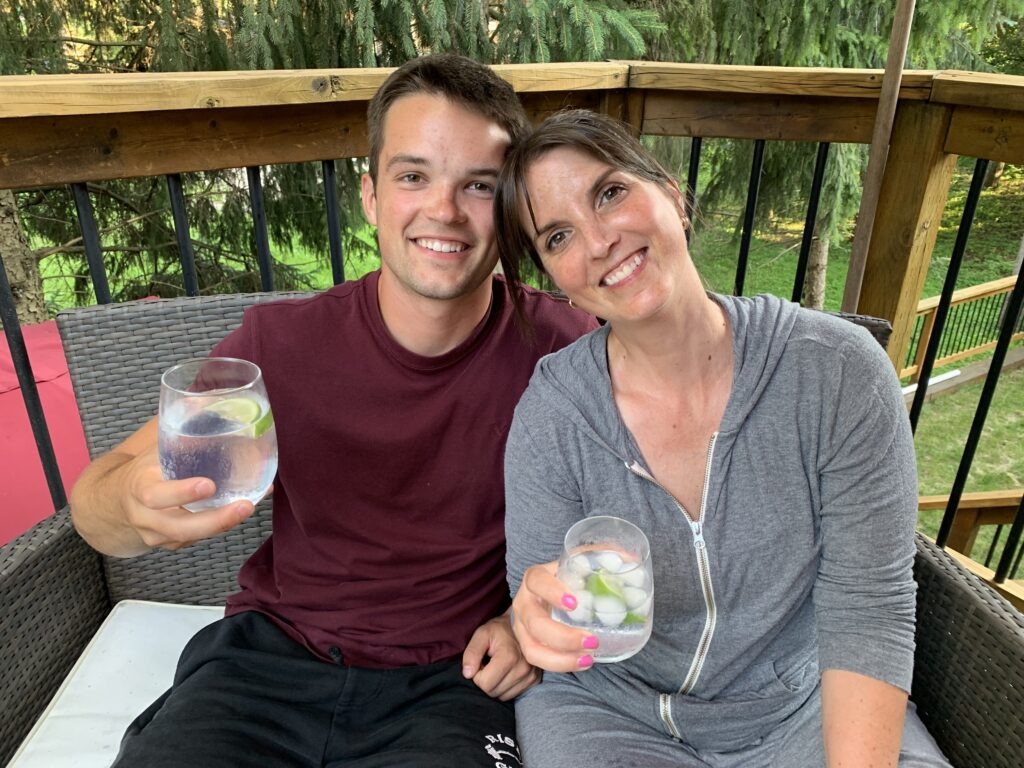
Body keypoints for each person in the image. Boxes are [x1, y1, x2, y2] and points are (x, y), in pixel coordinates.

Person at [68, 55, 596, 768]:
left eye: (478, 184)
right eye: (414, 176)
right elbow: (97, 504)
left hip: (453, 679)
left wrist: (526, 620)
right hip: (267, 661)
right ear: (372, 195)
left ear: (508, 204)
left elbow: (641, 514)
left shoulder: (565, 351)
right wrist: (132, 505)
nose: (443, 210)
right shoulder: (280, 346)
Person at [494, 109, 951, 768]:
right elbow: (537, 597)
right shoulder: (553, 415)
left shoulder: (837, 371)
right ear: (555, 278)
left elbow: (868, 608)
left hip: (805, 706)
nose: (598, 242)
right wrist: (536, 619)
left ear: (672, 195)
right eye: (559, 236)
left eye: (610, 193)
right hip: (608, 712)